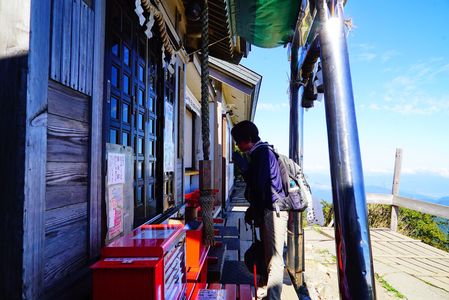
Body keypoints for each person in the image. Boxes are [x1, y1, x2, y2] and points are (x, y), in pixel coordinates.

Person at [231, 120, 288, 300]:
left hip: (274, 211)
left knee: (275, 258)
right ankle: (265, 289)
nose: (238, 146)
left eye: (238, 141)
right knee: (266, 253)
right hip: (267, 210)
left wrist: (245, 168)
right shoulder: (259, 152)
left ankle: (273, 297)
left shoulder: (262, 152)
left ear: (248, 138)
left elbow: (259, 184)